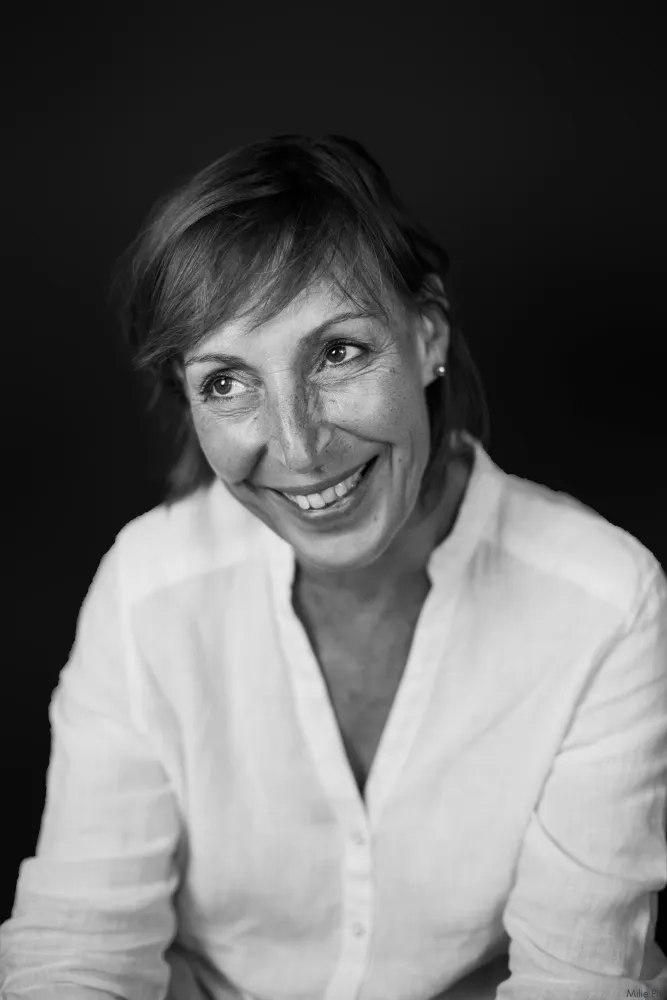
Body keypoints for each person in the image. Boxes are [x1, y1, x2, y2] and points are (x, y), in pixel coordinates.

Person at [1, 134, 665, 1000]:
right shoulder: (147, 590)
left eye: (338, 352)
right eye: (226, 381)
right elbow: (79, 949)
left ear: (426, 333)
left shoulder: (604, 604)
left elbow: (577, 982)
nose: (299, 448)